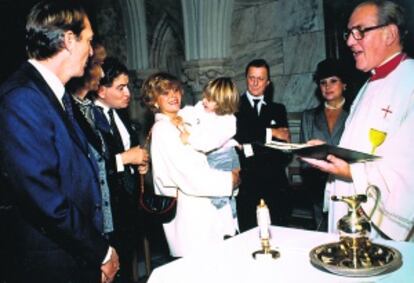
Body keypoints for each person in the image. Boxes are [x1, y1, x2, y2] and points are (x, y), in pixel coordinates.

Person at [0, 1, 119, 283]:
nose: (91, 52)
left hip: (75, 255)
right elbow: (44, 196)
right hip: (52, 265)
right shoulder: (21, 98)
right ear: (68, 40)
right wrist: (100, 252)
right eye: (88, 41)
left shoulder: (53, 95)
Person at [302, 0, 414, 241]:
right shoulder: (367, 86)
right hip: (348, 206)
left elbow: (408, 168)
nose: (350, 41)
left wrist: (351, 172)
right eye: (349, 33)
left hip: (378, 221)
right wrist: (327, 153)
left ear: (390, 34)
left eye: (359, 31)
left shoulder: (410, 81)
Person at [141, 72, 240, 257]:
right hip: (192, 223)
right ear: (154, 101)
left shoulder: (182, 121)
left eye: (176, 90)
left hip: (204, 215)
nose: (173, 96)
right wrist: (230, 180)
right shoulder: (163, 129)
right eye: (165, 93)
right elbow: (190, 176)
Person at [95, 57, 148, 282]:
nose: (128, 93)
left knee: (126, 266)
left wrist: (139, 163)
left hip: (128, 207)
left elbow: (130, 151)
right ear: (101, 90)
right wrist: (125, 159)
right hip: (111, 213)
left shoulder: (120, 114)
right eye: (120, 88)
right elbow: (95, 167)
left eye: (127, 86)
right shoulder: (91, 118)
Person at [173, 77, 241, 230]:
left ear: (222, 103)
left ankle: (229, 229)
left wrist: (189, 138)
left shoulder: (228, 122)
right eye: (205, 96)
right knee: (222, 195)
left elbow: (208, 143)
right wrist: (180, 116)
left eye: (209, 99)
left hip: (222, 156)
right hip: (214, 155)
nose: (204, 100)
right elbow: (191, 112)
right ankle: (229, 223)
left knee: (220, 194)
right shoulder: (202, 107)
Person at [235, 59, 292, 231]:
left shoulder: (278, 109)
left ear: (268, 82)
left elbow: (284, 149)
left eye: (260, 79)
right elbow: (239, 133)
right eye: (251, 78)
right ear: (246, 79)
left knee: (279, 233)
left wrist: (251, 143)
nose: (255, 83)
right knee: (248, 234)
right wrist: (272, 133)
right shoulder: (234, 107)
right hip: (247, 183)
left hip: (274, 182)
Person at [66, 42, 116, 238]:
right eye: (98, 64)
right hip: (84, 223)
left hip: (106, 219)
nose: (102, 74)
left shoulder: (95, 112)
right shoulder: (66, 112)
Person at [299, 58, 350, 231]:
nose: (327, 87)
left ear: (344, 84)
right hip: (318, 188)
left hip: (348, 185)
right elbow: (303, 157)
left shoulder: (355, 114)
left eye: (333, 81)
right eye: (323, 83)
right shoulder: (309, 116)